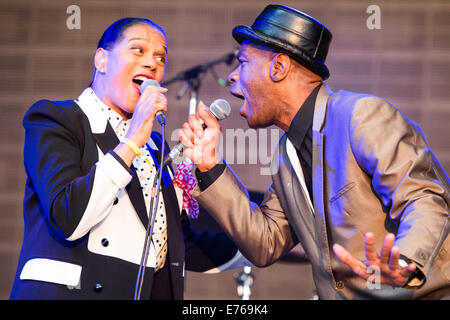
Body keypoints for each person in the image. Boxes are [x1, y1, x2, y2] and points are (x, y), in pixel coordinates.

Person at [180, 5, 450, 299]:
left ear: (278, 68)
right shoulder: (285, 155)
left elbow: (425, 197)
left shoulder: (359, 116)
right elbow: (263, 243)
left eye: (243, 62)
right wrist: (210, 166)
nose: (232, 76)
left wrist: (404, 262)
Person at [10, 17, 247, 300]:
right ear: (101, 60)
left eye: (160, 57)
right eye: (138, 50)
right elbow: (68, 216)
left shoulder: (155, 146)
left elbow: (173, 243)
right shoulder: (57, 119)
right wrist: (132, 140)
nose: (152, 63)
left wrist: (266, 243)